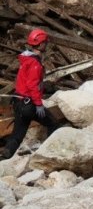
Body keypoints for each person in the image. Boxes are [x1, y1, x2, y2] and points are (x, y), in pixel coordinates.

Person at [1, 29, 60, 159]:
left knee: (17, 135)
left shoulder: (26, 59)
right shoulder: (35, 64)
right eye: (45, 43)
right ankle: (50, 154)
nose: (46, 45)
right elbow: (32, 85)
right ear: (40, 44)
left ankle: (5, 155)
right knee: (52, 124)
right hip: (29, 104)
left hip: (18, 101)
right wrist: (38, 104)